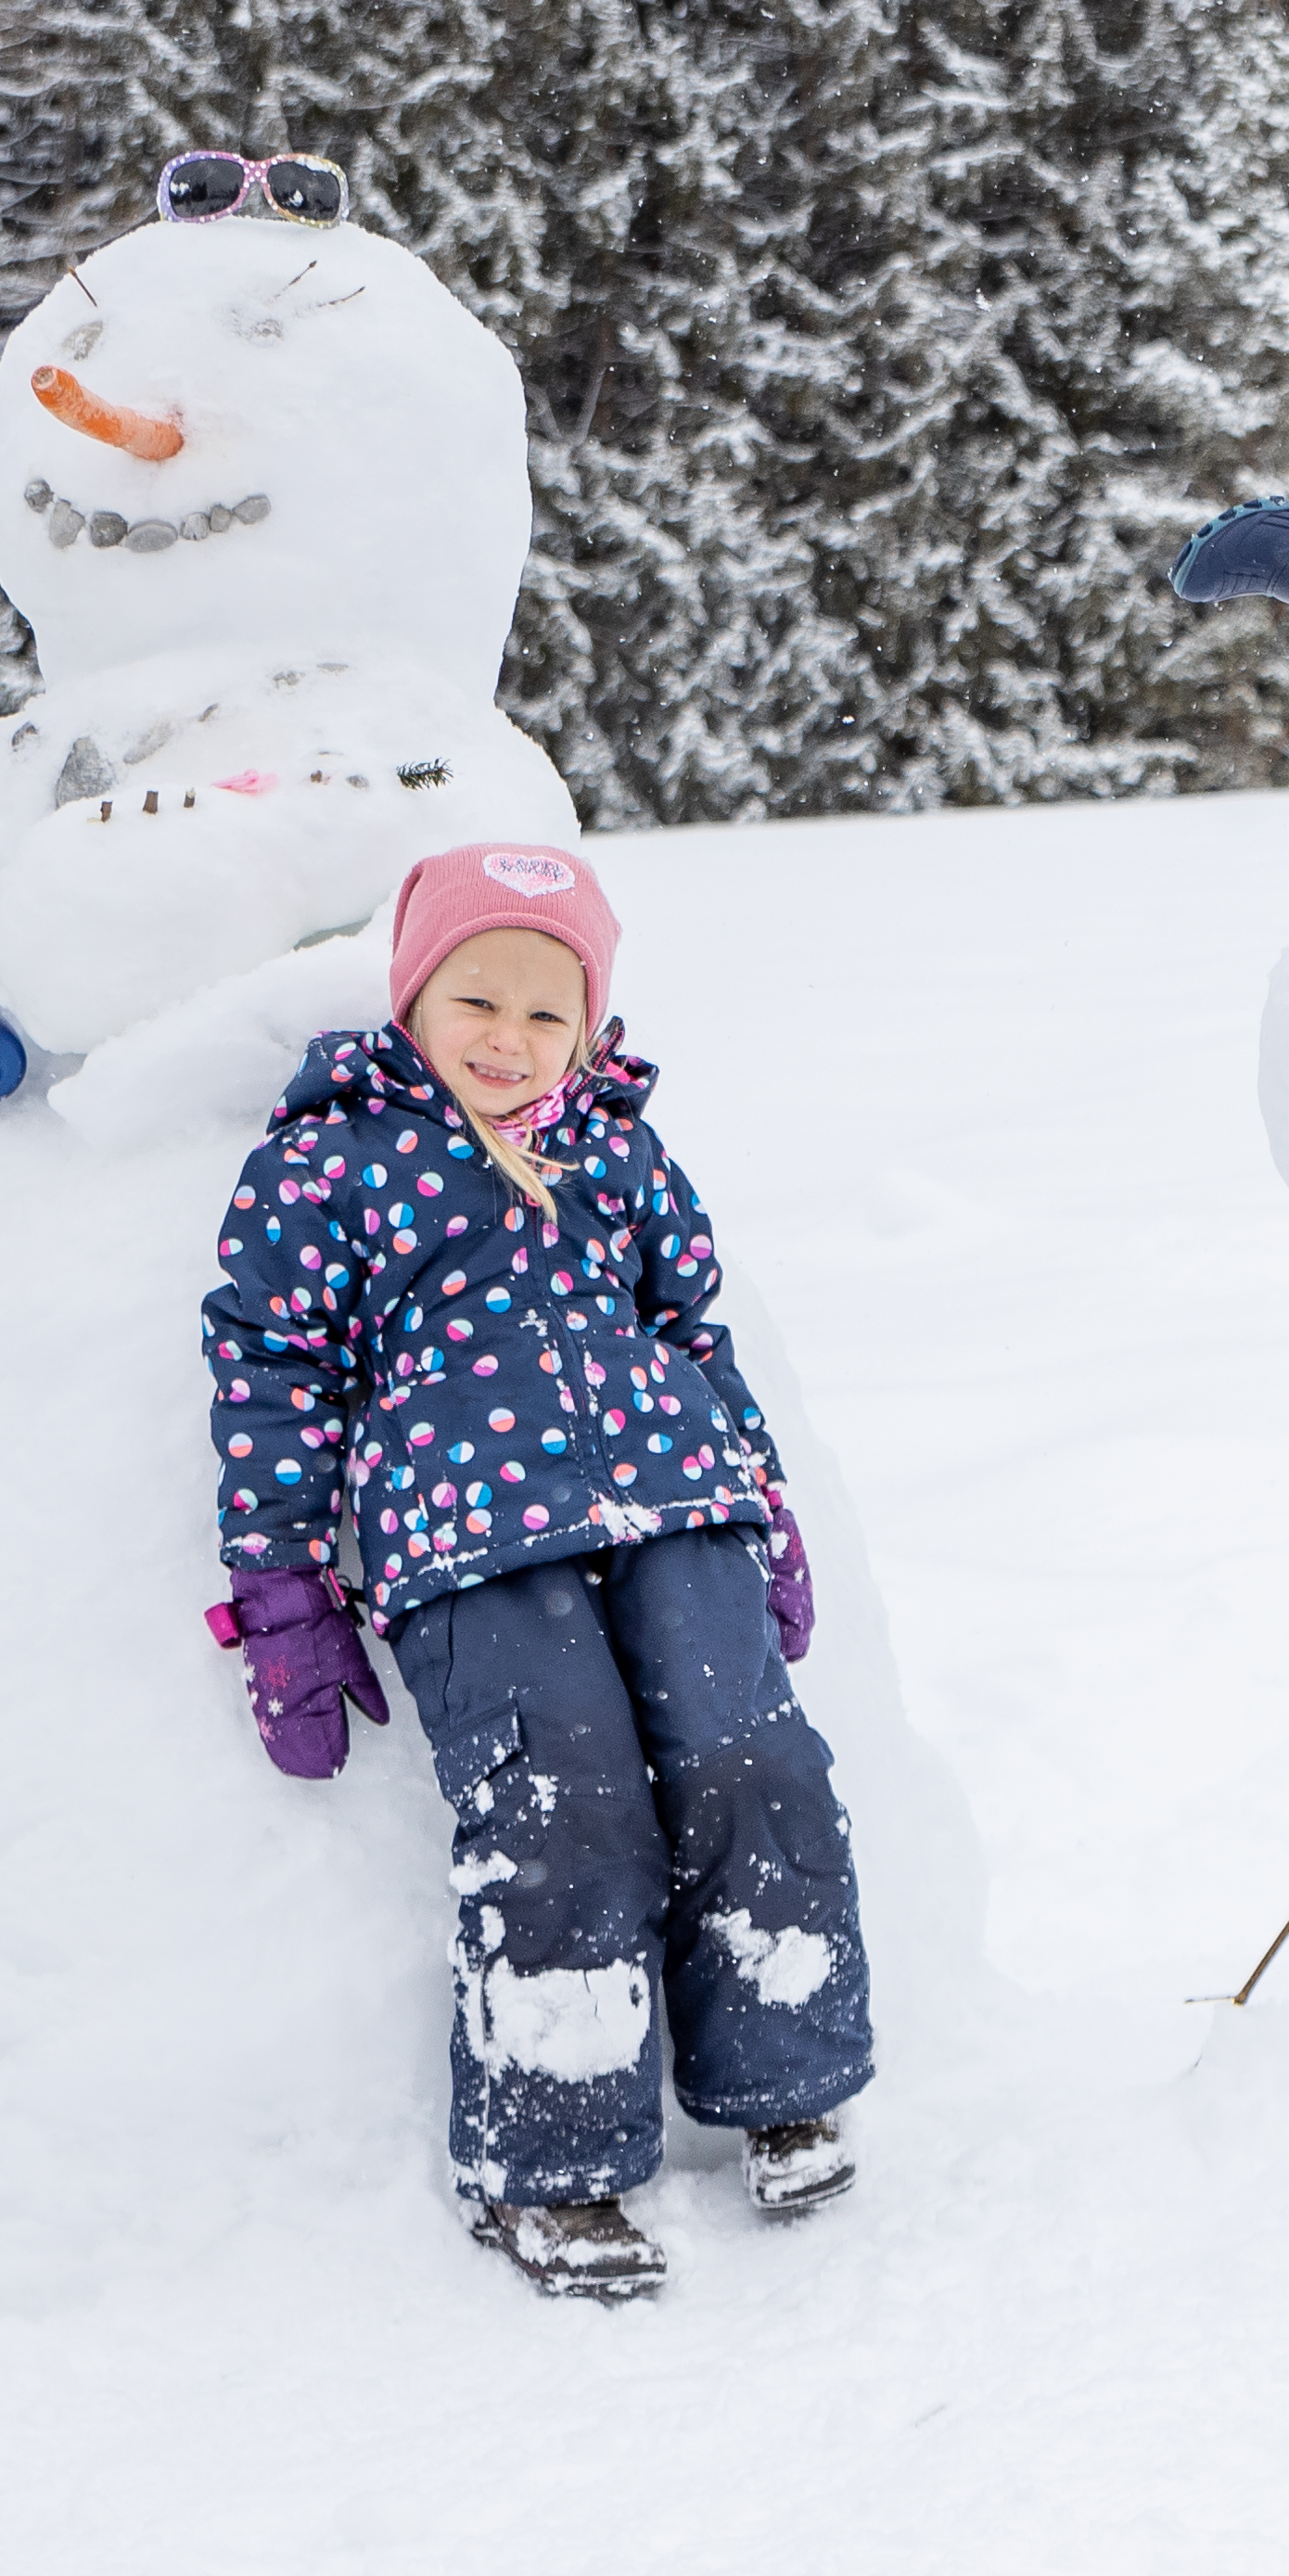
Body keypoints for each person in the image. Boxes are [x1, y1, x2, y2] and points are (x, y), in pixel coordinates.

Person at [201, 841, 869, 2302]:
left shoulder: (620, 1146)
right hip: (470, 1533)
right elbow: (270, 1371)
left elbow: (693, 1327)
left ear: (591, 1023)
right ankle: (552, 2163)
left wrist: (766, 1502)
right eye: (474, 998)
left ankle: (784, 2070)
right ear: (413, 994)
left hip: (677, 1504)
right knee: (559, 1798)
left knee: (750, 1753)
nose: (507, 1038)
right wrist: (286, 1586)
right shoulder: (332, 1156)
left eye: (545, 1012)